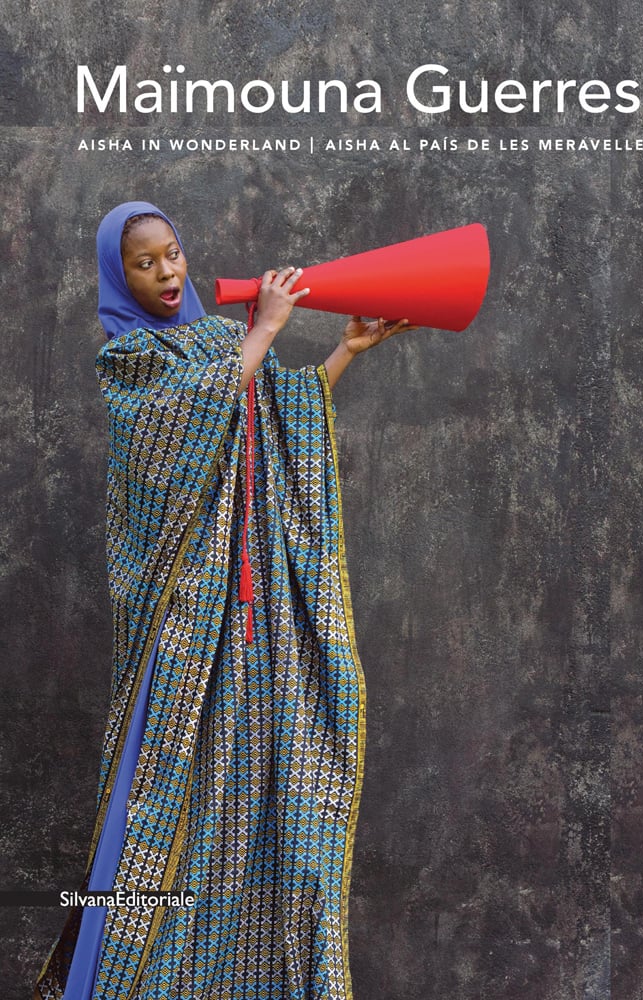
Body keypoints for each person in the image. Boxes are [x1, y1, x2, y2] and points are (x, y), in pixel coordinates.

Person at [35, 201, 414, 999]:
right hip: (183, 637)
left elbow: (276, 416)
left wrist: (344, 350)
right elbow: (186, 435)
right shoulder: (129, 360)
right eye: (146, 263)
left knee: (268, 812)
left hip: (254, 629)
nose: (169, 273)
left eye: (172, 253)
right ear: (119, 273)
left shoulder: (218, 339)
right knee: (163, 816)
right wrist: (268, 329)